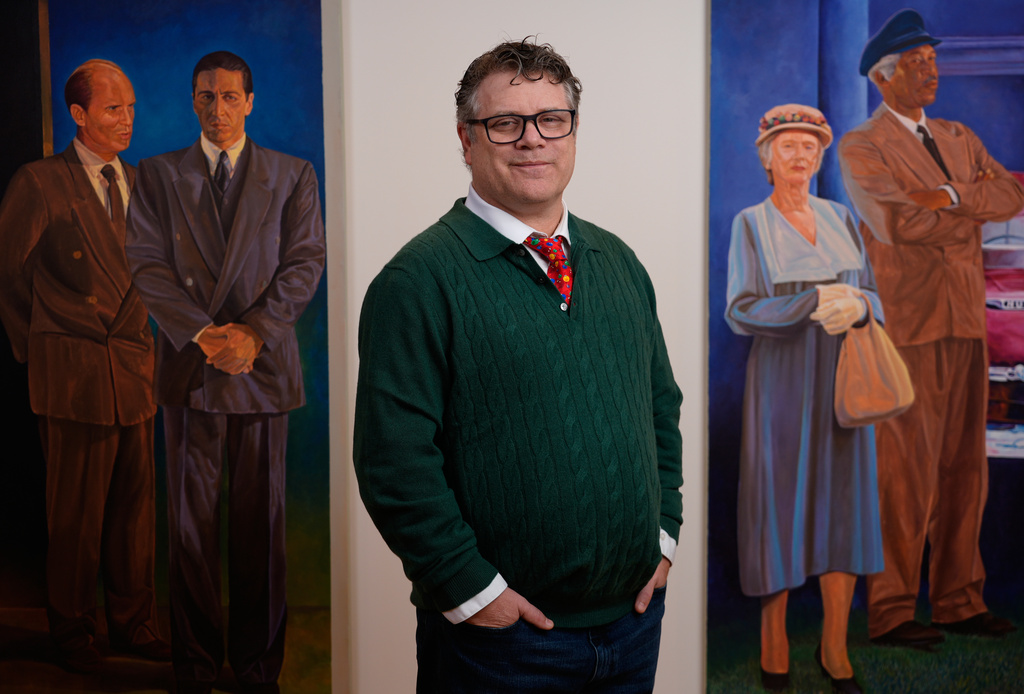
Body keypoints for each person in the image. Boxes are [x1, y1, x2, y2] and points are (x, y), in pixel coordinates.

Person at [353, 38, 683, 693]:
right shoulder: (418, 281)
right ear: (467, 138)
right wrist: (474, 595)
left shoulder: (618, 262)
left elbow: (660, 409)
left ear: (573, 131)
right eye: (506, 123)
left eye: (550, 119)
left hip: (633, 630)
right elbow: (394, 464)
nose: (532, 139)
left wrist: (664, 536)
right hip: (500, 650)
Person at [125, 51, 325, 694]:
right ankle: (195, 667)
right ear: (192, 101)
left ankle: (257, 669)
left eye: (230, 97)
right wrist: (204, 335)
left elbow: (303, 264)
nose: (218, 109)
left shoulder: (292, 175)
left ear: (250, 100)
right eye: (206, 97)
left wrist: (254, 334)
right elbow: (147, 264)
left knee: (261, 531)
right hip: (192, 371)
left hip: (261, 373)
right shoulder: (156, 175)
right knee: (190, 531)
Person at [839, 9, 1024, 649]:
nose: (931, 72)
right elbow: (894, 225)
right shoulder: (861, 146)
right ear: (883, 77)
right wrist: (964, 200)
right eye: (918, 64)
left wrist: (946, 198)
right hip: (909, 327)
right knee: (905, 474)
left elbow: (1011, 197)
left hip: (965, 321)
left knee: (965, 468)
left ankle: (957, 601)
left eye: (933, 62)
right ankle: (891, 611)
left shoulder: (958, 134)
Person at [0, 59, 169, 673]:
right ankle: (72, 629)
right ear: (78, 115)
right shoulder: (40, 182)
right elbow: (8, 278)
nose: (126, 120)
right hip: (71, 376)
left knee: (132, 513)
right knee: (73, 516)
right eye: (111, 109)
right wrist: (44, 346)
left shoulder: (143, 182)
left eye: (129, 107)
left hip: (132, 372)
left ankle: (134, 624)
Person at [726, 104, 883, 694]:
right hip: (783, 384)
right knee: (779, 507)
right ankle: (774, 644)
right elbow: (740, 311)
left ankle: (836, 648)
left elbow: (873, 294)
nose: (802, 156)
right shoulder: (752, 223)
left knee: (845, 508)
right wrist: (811, 304)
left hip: (847, 381)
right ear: (768, 157)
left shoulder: (840, 215)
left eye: (812, 147)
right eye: (789, 146)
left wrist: (862, 306)